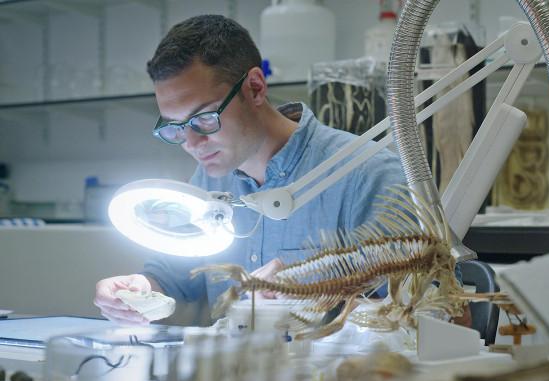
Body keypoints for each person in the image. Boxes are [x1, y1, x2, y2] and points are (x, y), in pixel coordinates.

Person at [93, 15, 409, 325]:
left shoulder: (367, 174)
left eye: (204, 118)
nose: (191, 143)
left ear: (255, 88)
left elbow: (421, 308)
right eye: (176, 127)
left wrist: (308, 284)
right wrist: (138, 288)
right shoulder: (210, 177)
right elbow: (176, 275)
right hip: (234, 371)